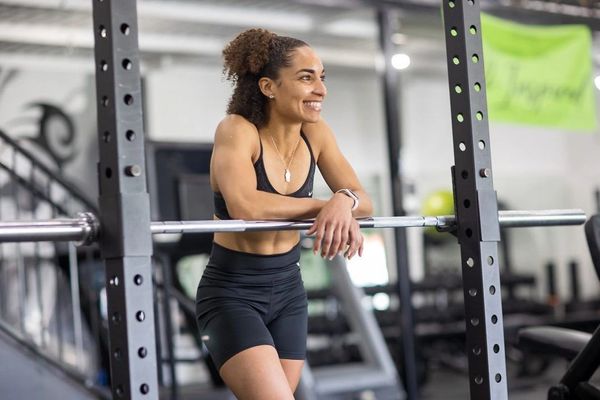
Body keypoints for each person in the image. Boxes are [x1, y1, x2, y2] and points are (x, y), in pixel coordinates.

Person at [195, 28, 373, 400]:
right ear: (268, 87)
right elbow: (248, 206)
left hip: (290, 293)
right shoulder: (237, 130)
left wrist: (344, 201)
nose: (321, 90)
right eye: (306, 78)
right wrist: (330, 204)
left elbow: (363, 199)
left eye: (322, 78)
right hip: (233, 293)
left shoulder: (317, 133)